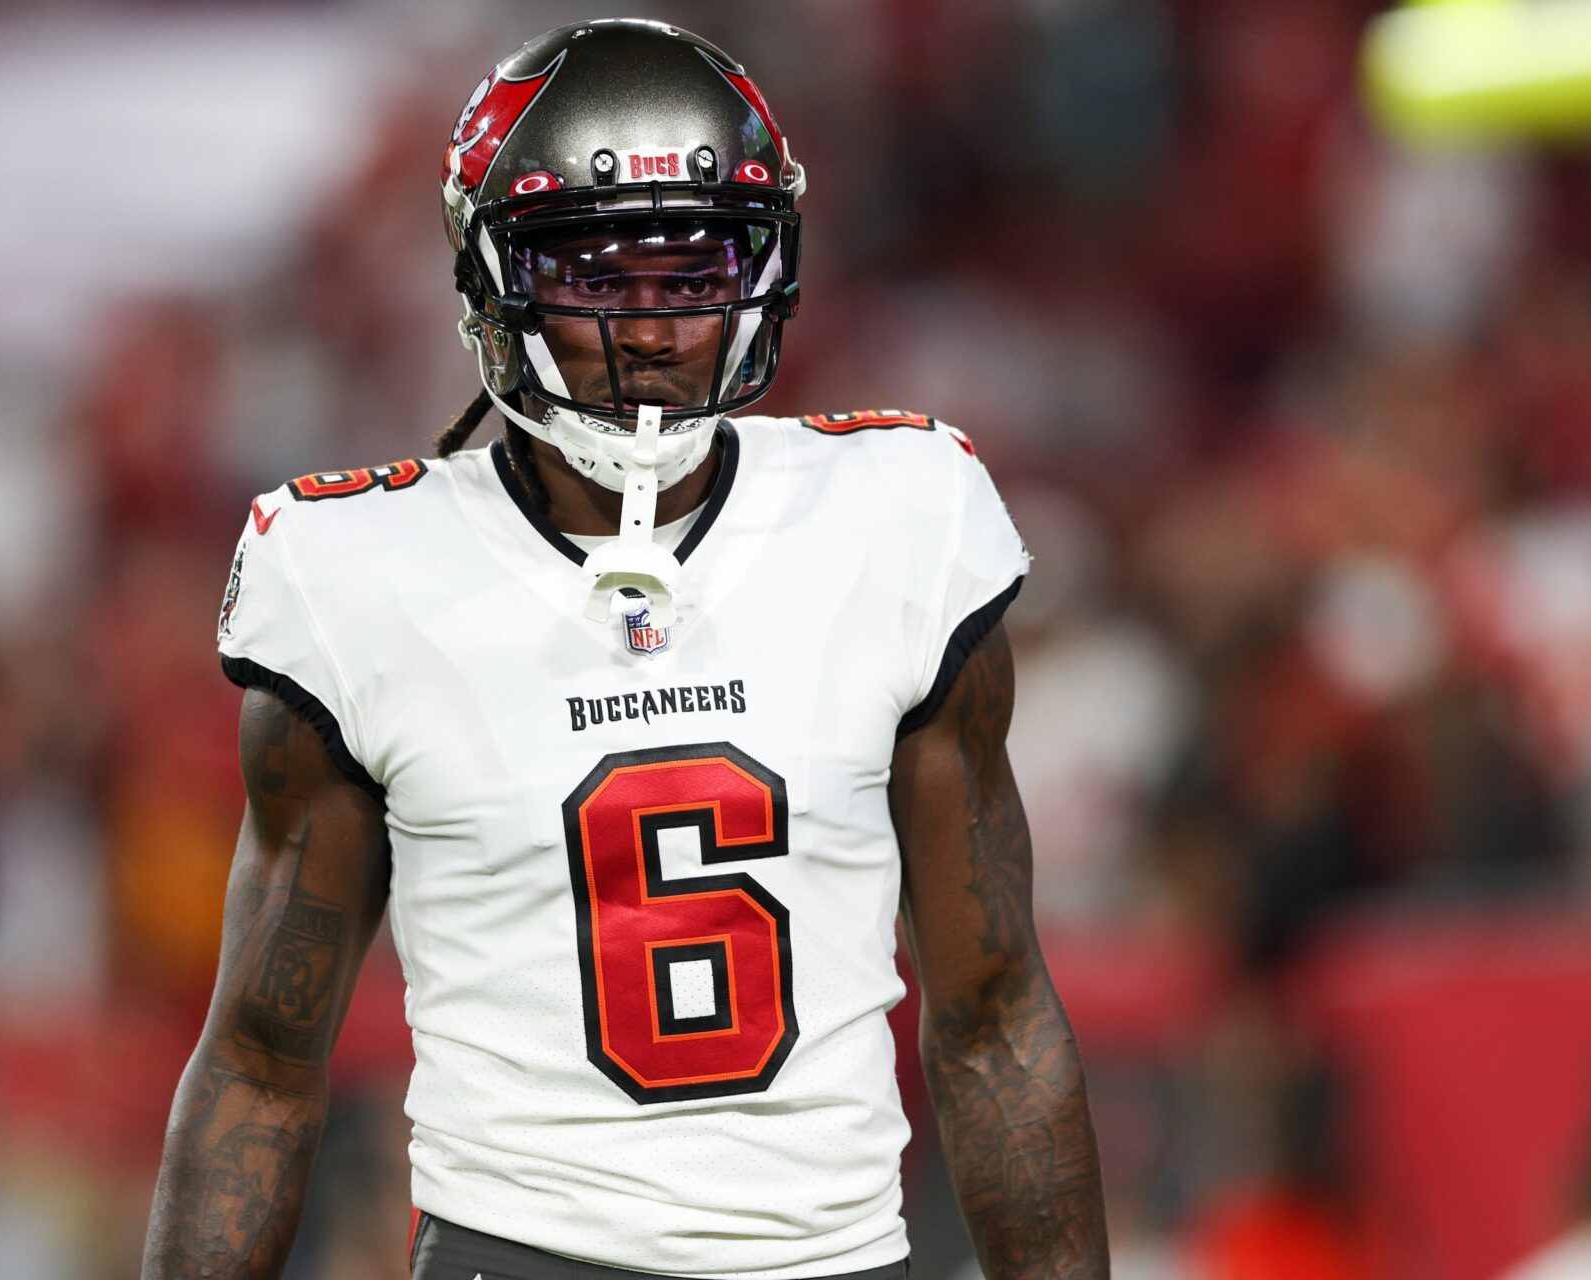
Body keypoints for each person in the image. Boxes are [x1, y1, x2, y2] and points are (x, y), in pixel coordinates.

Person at [141, 18, 1107, 1280]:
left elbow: (993, 1016)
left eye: (694, 273)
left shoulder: (900, 515)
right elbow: (263, 1063)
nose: (650, 330)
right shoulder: (356, 575)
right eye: (596, 276)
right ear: (495, 279)